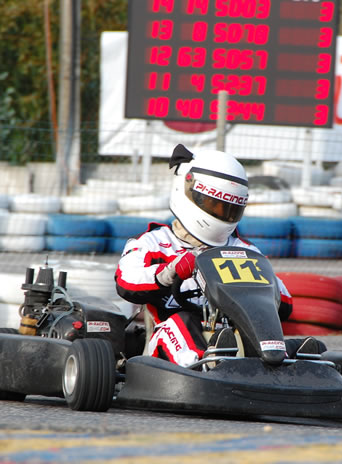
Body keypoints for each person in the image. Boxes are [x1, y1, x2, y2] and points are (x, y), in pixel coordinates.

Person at [115, 144, 296, 367]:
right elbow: (126, 282)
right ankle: (206, 365)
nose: (223, 214)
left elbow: (285, 303)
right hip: (167, 344)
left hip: (230, 334)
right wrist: (168, 272)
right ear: (188, 189)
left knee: (254, 331)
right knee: (183, 321)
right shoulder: (153, 242)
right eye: (215, 205)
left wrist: (265, 288)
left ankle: (280, 364)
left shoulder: (244, 250)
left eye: (230, 209)